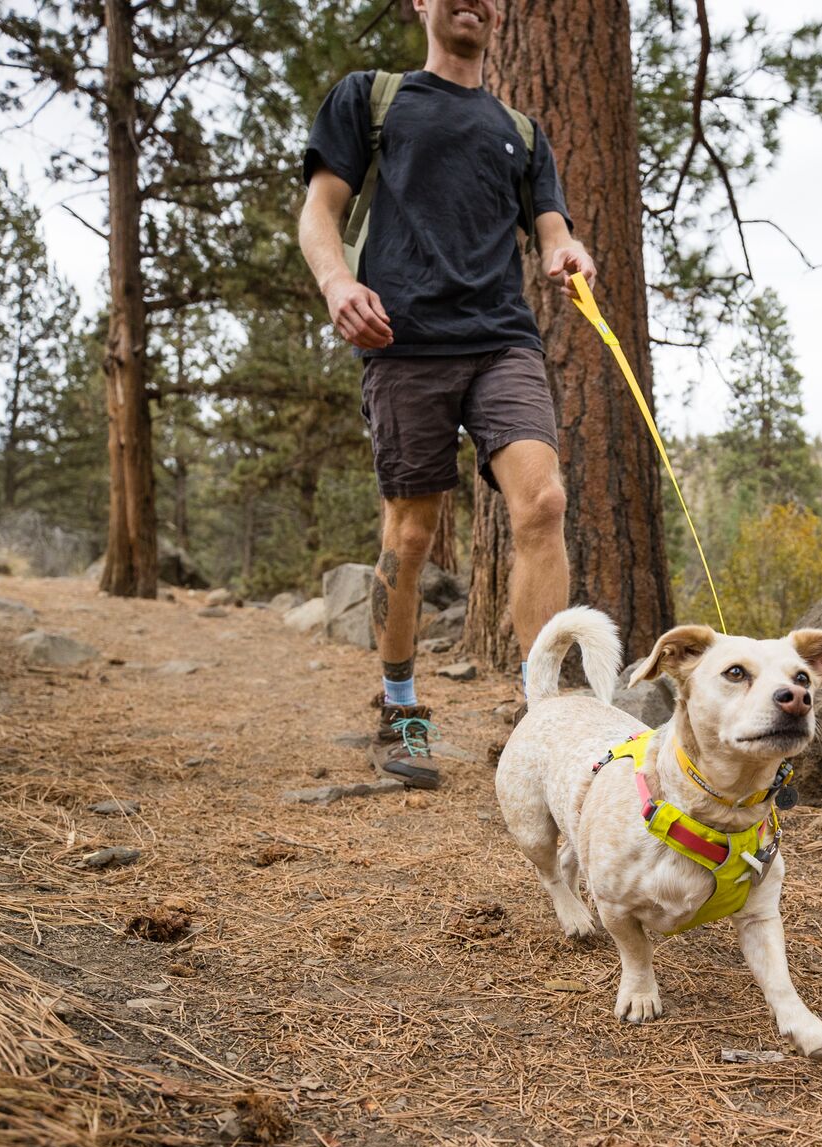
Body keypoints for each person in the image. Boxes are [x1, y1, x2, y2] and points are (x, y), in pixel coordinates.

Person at [298, 0, 596, 790]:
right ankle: (401, 711)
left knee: (543, 504)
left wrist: (567, 251)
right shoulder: (372, 96)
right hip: (403, 339)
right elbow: (319, 210)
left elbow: (552, 227)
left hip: (503, 339)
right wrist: (336, 284)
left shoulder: (523, 131)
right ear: (420, 6)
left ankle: (546, 722)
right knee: (412, 533)